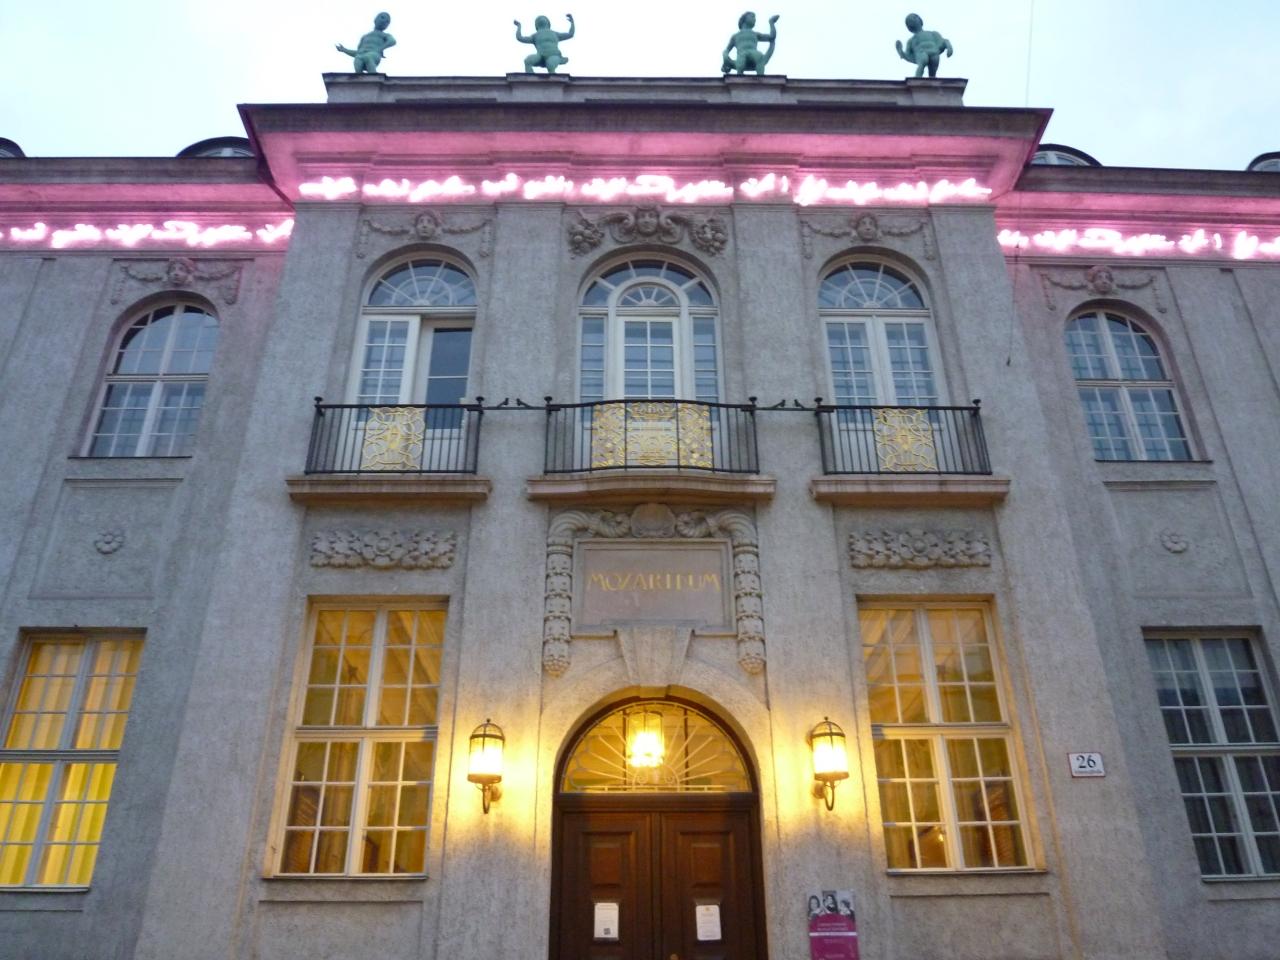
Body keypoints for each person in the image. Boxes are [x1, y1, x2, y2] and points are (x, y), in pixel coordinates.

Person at [895, 13, 952, 78]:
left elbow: (942, 42)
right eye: (909, 21)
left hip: (933, 52)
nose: (913, 20)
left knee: (933, 67)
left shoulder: (932, 33)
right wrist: (900, 51)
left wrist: (949, 47)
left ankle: (932, 80)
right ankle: (917, 79)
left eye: (914, 17)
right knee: (923, 62)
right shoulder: (911, 40)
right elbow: (908, 55)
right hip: (921, 53)